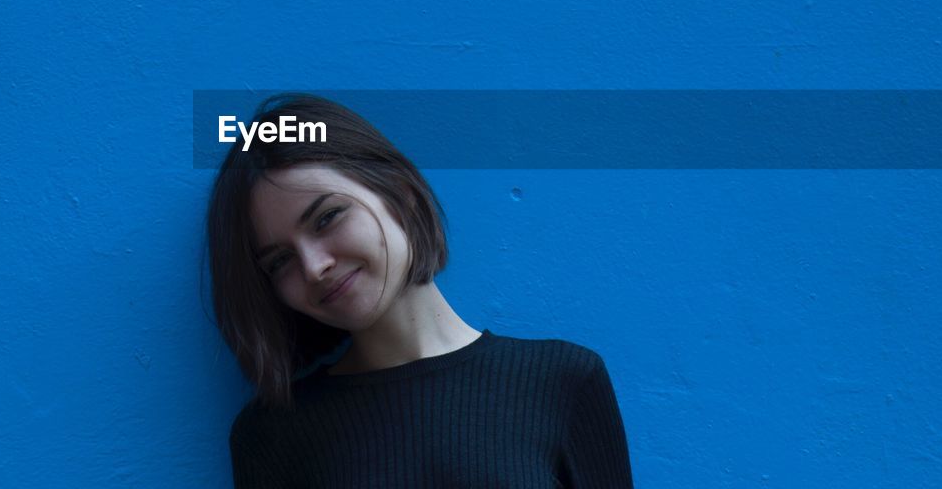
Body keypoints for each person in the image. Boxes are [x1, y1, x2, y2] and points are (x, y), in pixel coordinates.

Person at [206, 93, 634, 488]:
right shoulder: (272, 435)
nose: (315, 267)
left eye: (327, 217)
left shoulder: (564, 382)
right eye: (280, 261)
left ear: (402, 195)